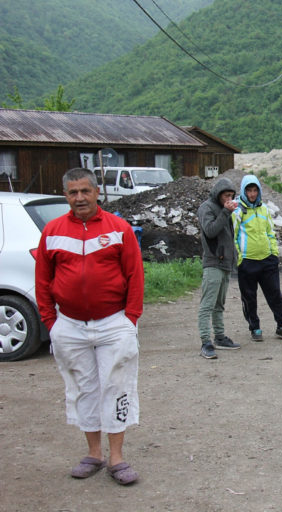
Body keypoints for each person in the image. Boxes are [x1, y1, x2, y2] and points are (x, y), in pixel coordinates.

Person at [35, 168, 144, 485]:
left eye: (85, 191)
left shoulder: (118, 228)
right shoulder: (53, 231)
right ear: (66, 196)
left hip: (113, 323)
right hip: (69, 326)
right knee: (84, 388)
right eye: (72, 192)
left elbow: (135, 275)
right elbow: (42, 280)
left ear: (97, 192)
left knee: (117, 385)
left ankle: (117, 458)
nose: (79, 198)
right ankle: (94, 454)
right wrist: (51, 322)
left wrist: (130, 318)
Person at [233, 175, 282, 342]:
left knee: (275, 295)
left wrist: (274, 253)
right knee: (249, 298)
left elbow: (270, 232)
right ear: (244, 191)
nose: (252, 194)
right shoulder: (238, 211)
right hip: (247, 262)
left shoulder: (264, 210)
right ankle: (255, 328)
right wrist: (240, 258)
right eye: (249, 190)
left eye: (255, 190)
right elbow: (233, 236)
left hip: (267, 260)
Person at [197, 176, 241, 359]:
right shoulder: (207, 208)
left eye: (231, 195)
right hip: (213, 262)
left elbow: (228, 236)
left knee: (219, 304)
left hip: (225, 263)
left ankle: (220, 337)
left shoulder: (226, 210)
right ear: (218, 194)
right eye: (226, 195)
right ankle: (206, 342)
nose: (228, 199)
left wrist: (234, 258)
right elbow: (211, 230)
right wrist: (225, 212)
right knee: (207, 304)